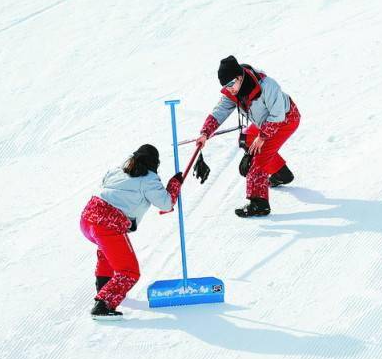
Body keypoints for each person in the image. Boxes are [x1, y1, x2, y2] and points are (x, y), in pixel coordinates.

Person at [80, 144, 183, 320]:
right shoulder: (149, 179)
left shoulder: (116, 170)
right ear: (154, 163)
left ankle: (104, 288)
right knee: (129, 271)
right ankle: (103, 305)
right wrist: (174, 184)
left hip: (87, 219)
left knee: (107, 254)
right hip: (108, 225)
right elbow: (166, 204)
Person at [196, 55, 300, 217]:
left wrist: (263, 137)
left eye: (230, 84)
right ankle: (281, 173)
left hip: (285, 120)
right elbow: (220, 111)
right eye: (225, 86)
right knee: (247, 139)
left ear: (239, 77)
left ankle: (259, 204)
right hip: (264, 123)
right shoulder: (234, 91)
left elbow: (277, 115)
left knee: (258, 159)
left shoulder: (267, 86)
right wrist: (205, 133)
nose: (229, 88)